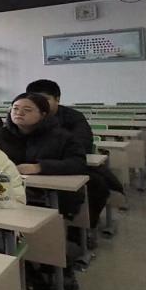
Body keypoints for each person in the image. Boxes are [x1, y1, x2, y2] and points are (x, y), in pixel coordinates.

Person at [0, 92, 88, 290]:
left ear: (43, 114)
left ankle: (56, 268)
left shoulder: (62, 136)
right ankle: (28, 271)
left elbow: (78, 163)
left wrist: (40, 167)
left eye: (27, 110)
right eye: (15, 108)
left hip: (54, 196)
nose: (19, 113)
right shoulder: (1, 135)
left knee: (46, 225)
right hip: (11, 195)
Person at [26, 78, 123, 227]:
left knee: (97, 185)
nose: (40, 104)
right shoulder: (27, 117)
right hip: (35, 169)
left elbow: (81, 146)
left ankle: (79, 228)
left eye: (45, 99)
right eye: (35, 100)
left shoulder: (73, 117)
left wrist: (44, 159)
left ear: (57, 99)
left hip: (69, 167)